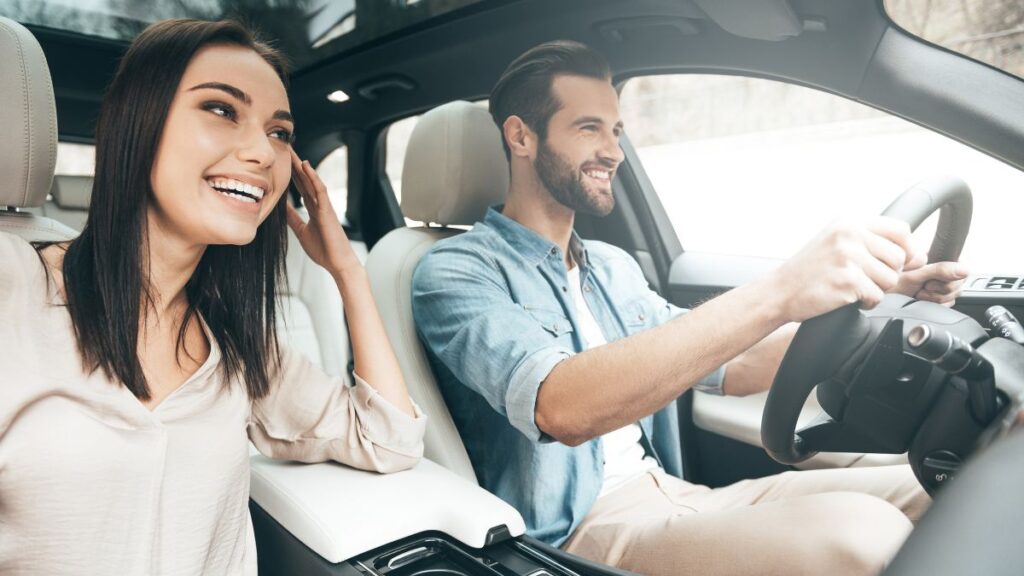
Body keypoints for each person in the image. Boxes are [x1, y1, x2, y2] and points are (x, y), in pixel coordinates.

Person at [411, 40, 967, 576]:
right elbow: (561, 407)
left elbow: (734, 366)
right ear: (521, 137)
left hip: (680, 496)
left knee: (949, 485)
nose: (613, 150)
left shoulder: (610, 266)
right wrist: (782, 288)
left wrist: (883, 303)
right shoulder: (456, 273)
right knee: (868, 535)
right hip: (579, 534)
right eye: (588, 128)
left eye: (616, 130)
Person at [0, 19, 425, 574]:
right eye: (222, 110)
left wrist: (346, 270)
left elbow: (389, 438)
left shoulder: (239, 345)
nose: (261, 153)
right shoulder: (14, 287)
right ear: (140, 122)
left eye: (279, 133)